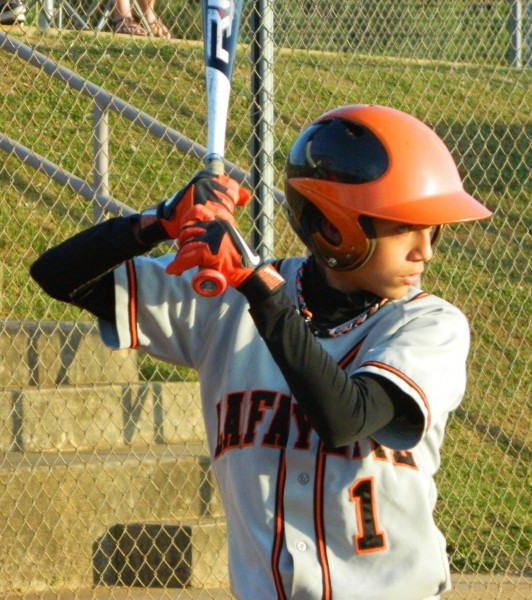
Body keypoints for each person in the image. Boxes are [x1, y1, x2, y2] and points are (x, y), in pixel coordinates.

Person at [30, 104, 492, 599]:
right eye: (406, 226)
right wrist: (162, 220)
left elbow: (344, 418)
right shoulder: (229, 300)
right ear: (335, 225)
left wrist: (255, 283)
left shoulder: (429, 325)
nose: (426, 250)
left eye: (433, 229)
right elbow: (59, 275)